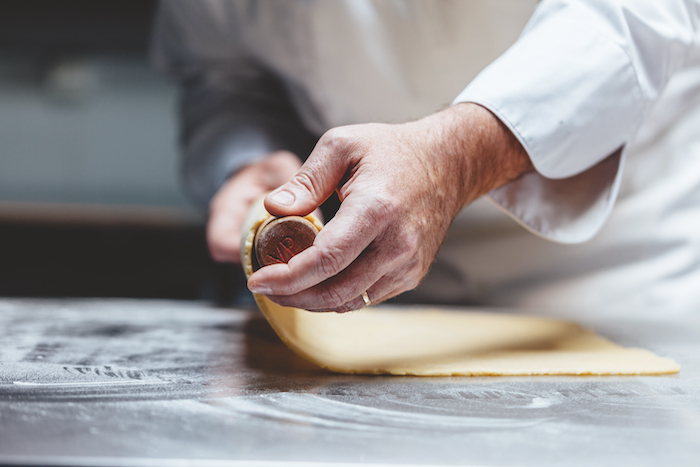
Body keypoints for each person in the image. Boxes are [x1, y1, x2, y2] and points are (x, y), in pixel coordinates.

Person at [152, 0, 700, 317]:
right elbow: (225, 68)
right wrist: (253, 154)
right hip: (365, 304)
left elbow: (634, 21)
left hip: (611, 280)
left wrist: (453, 160)